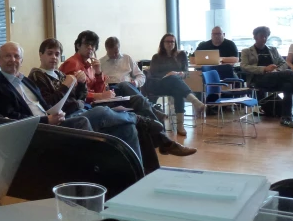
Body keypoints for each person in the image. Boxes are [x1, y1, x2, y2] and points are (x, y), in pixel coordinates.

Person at [31, 39, 195, 156]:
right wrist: (71, 86)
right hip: (76, 114)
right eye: (49, 53)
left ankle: (140, 174)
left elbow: (79, 96)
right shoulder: (42, 75)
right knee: (111, 108)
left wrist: (91, 78)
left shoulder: (65, 71)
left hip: (86, 106)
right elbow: (50, 104)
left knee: (128, 125)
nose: (54, 57)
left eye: (57, 54)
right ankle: (153, 128)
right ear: (41, 55)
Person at [0, 42, 144, 160]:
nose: (12, 60)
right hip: (38, 130)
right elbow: (12, 119)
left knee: (127, 129)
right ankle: (98, 173)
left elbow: (50, 104)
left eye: (16, 56)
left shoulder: (26, 81)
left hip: (58, 118)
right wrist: (47, 118)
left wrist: (81, 84)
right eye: (8, 56)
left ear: (21, 60)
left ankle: (137, 179)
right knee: (88, 117)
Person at [241, 26, 293, 128]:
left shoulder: (272, 49)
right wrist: (264, 69)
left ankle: (286, 118)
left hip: (274, 77)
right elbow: (244, 67)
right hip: (258, 79)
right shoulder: (246, 51)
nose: (264, 39)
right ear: (255, 37)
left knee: (288, 86)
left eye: (266, 36)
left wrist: (277, 70)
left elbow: (283, 62)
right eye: (261, 36)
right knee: (288, 73)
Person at [145, 33, 206, 136]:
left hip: (175, 85)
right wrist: (168, 74)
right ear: (162, 43)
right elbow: (154, 73)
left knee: (178, 90)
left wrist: (181, 74)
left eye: (172, 41)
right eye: (167, 41)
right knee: (174, 79)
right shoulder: (156, 57)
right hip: (159, 85)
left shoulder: (181, 55)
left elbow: (186, 72)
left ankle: (180, 126)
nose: (170, 44)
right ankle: (194, 102)